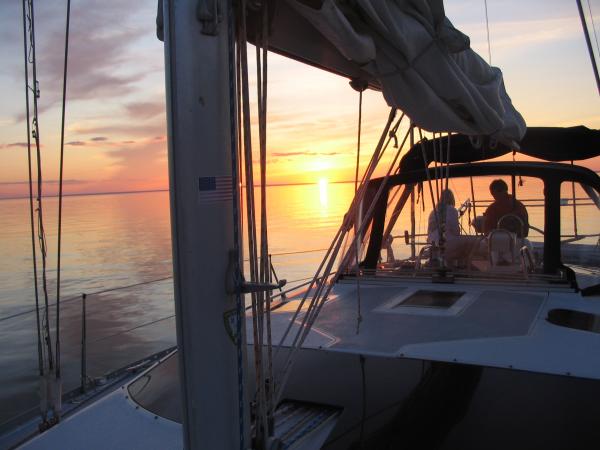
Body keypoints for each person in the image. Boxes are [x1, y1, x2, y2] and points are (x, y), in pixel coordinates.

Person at [427, 189, 477, 265]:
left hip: (433, 243)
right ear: (451, 198)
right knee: (474, 241)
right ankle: (464, 265)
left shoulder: (433, 211)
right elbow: (456, 232)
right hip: (446, 243)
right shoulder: (452, 210)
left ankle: (452, 262)